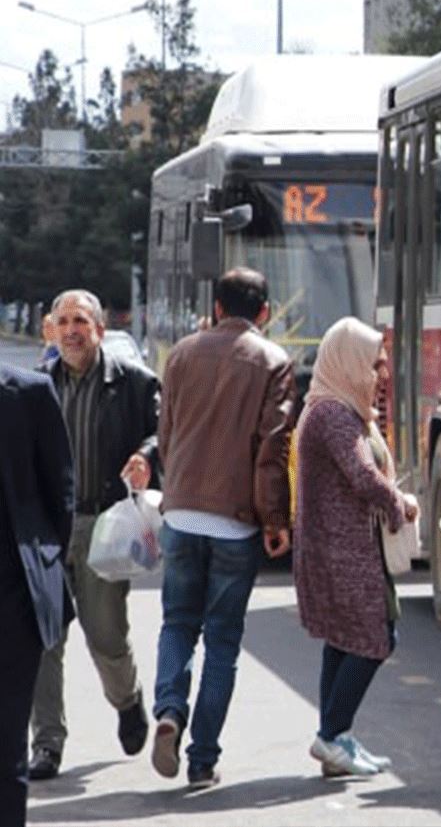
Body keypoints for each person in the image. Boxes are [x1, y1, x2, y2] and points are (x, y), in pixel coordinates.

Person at [151, 268, 298, 790]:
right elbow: (271, 449)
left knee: (176, 625)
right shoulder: (274, 361)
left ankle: (168, 708)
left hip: (182, 510)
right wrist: (276, 521)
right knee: (222, 642)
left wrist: (177, 492)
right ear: (264, 313)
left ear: (216, 307)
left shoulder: (183, 354)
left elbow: (165, 434)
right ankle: (202, 759)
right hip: (235, 523)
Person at [29, 289, 159, 783]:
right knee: (45, 638)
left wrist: (147, 454)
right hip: (44, 530)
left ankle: (127, 701)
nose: (71, 330)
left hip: (104, 526)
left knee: (105, 635)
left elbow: (161, 431)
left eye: (80, 320)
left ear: (100, 329)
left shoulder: (133, 383)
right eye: (62, 321)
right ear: (49, 329)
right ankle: (47, 743)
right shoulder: (35, 385)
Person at [293, 317, 418, 778]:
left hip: (342, 548)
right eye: (374, 364)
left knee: (344, 642)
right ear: (347, 364)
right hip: (341, 552)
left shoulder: (338, 408)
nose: (381, 374)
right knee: (376, 638)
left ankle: (337, 739)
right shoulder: (333, 415)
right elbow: (362, 475)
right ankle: (331, 736)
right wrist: (399, 503)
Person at [0, 365, 74, 825]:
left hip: (12, 596)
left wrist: (41, 566)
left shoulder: (27, 391)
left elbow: (60, 492)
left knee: (7, 743)